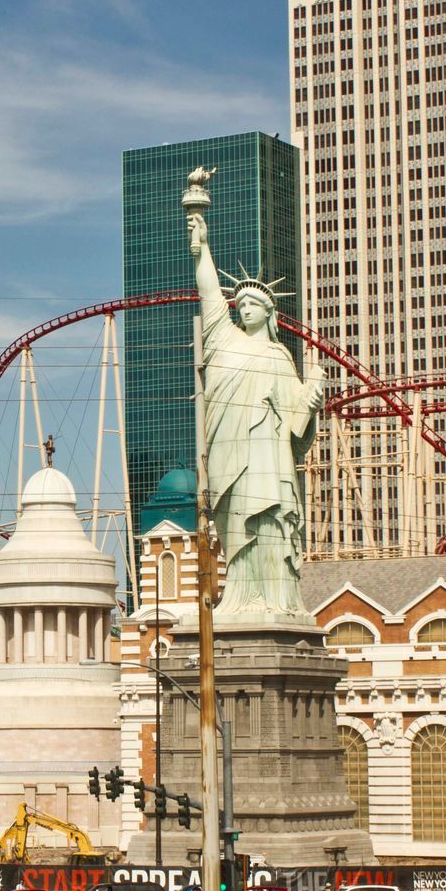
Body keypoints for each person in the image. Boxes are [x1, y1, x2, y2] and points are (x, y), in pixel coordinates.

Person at [187, 168, 325, 620]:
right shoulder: (223, 339)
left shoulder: (280, 357)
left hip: (270, 458)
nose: (243, 309)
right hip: (234, 460)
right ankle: (240, 600)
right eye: (240, 305)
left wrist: (312, 396)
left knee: (271, 524)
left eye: (252, 306)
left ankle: (277, 600)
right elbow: (209, 292)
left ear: (268, 313)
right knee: (238, 527)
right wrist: (202, 244)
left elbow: (297, 425)